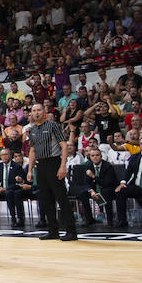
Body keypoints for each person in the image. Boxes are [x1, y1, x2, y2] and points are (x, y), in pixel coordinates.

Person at [24, 103, 77, 240]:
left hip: (54, 163)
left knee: (61, 198)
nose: (36, 113)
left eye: (39, 110)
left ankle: (71, 231)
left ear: (44, 112)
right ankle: (53, 230)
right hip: (40, 166)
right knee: (46, 200)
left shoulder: (53, 125)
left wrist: (63, 166)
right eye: (33, 111)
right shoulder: (33, 129)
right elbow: (32, 150)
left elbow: (64, 145)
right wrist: (30, 170)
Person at [69, 146, 121, 227]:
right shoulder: (88, 166)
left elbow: (107, 183)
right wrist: (91, 191)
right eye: (93, 156)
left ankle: (110, 221)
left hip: (107, 188)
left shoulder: (108, 166)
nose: (95, 157)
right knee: (83, 194)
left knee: (106, 192)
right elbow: (86, 183)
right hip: (94, 189)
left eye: (97, 155)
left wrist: (93, 176)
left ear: (101, 156)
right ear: (90, 157)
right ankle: (89, 219)